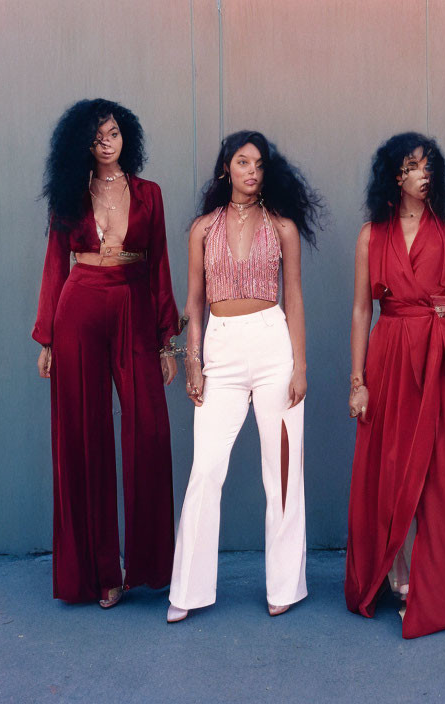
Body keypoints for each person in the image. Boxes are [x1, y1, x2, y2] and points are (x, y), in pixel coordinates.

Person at [166, 131, 321, 622]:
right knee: (206, 469)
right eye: (242, 161)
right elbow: (192, 301)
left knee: (281, 470)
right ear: (225, 169)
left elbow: (293, 296)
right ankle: (186, 592)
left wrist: (300, 364)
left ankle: (285, 586)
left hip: (273, 345)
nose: (252, 171)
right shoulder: (201, 229)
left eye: (258, 164)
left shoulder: (283, 228)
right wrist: (192, 358)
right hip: (221, 347)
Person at [33, 99, 180, 608]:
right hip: (80, 304)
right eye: (96, 135)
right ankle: (101, 573)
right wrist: (48, 337)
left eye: (113, 132)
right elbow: (56, 264)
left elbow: (159, 264)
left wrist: (168, 340)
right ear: (83, 144)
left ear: (126, 137)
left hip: (135, 301)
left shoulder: (149, 194)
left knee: (148, 430)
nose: (106, 141)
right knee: (84, 436)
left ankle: (148, 565)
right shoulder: (69, 196)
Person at [345, 132, 445, 638]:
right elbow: (361, 309)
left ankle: (432, 587)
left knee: (439, 469)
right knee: (392, 466)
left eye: (429, 165)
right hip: (389, 353)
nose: (425, 174)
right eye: (413, 166)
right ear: (394, 175)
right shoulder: (370, 235)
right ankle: (398, 581)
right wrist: (357, 381)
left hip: (440, 352)